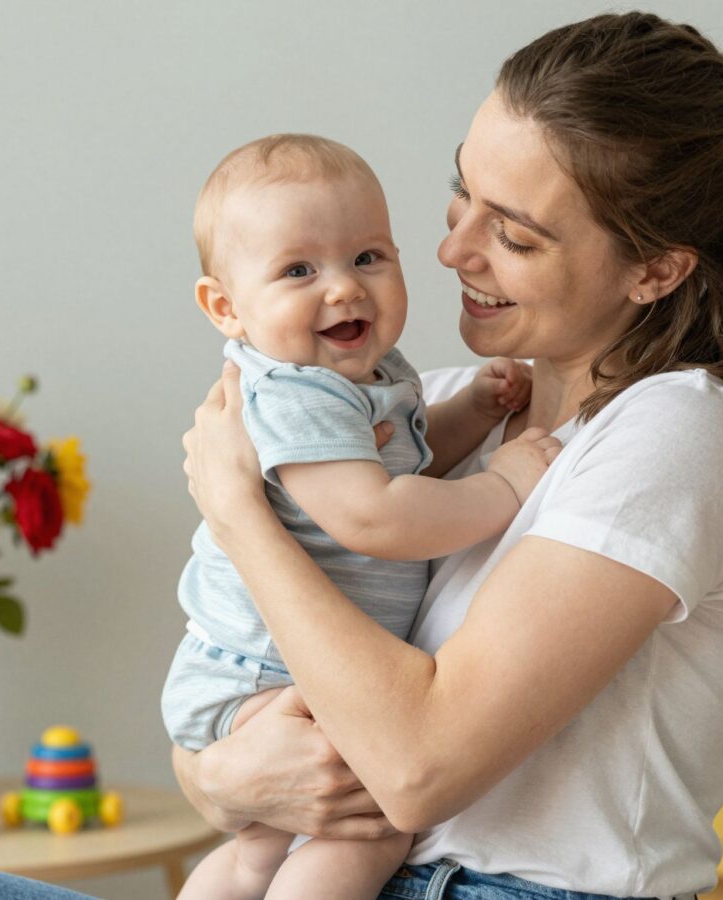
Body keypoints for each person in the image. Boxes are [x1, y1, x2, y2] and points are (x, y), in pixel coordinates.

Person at [0, 10, 723, 900]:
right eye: (461, 194)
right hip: (347, 871)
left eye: (515, 236)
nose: (452, 249)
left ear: (655, 271)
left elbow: (415, 769)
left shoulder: (676, 433)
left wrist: (238, 510)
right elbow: (236, 743)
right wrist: (224, 779)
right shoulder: (436, 402)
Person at [163, 133, 556, 900]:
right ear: (225, 307)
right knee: (370, 830)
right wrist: (504, 486)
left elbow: (402, 471)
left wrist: (471, 413)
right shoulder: (296, 394)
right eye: (299, 270)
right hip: (269, 668)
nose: (344, 288)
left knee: (257, 854)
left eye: (368, 257)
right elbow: (375, 517)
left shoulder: (368, 378)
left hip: (265, 666)